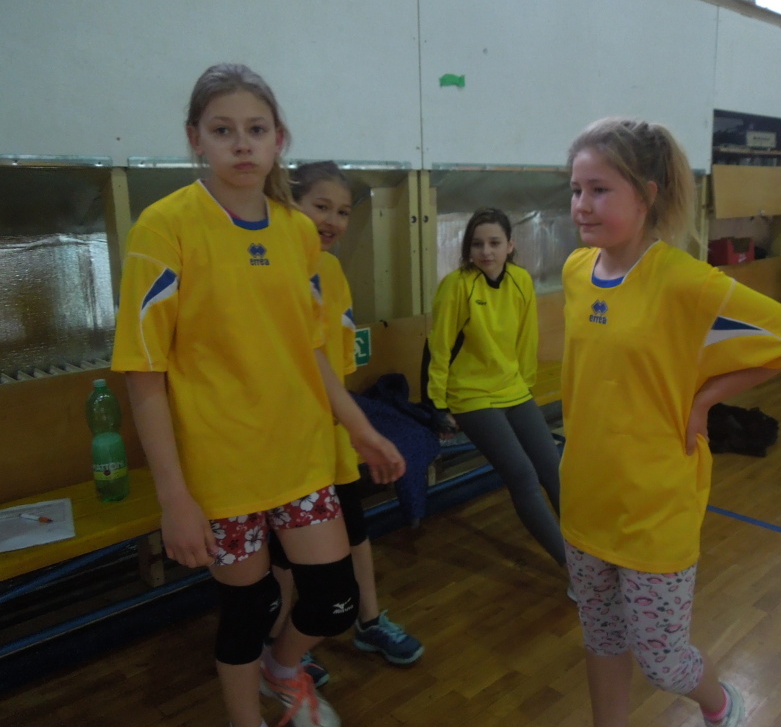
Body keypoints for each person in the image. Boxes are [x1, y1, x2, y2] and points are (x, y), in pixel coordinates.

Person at [112, 64, 404, 727]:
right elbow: (143, 372)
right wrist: (174, 498)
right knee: (251, 609)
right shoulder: (163, 228)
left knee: (333, 600)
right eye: (223, 130)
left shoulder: (297, 233)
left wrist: (359, 428)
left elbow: (308, 350)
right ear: (196, 139)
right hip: (222, 472)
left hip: (299, 456)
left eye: (256, 129)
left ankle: (283, 668)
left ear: (279, 140)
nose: (242, 144)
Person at [560, 117, 781, 727]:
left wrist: (704, 400)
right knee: (602, 639)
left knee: (663, 662)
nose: (582, 205)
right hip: (586, 496)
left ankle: (721, 703)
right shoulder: (576, 271)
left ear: (646, 195)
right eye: (576, 189)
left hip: (656, 504)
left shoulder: (685, 282)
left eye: (600, 190)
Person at [263, 161, 423, 679]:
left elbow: (341, 360)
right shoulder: (271, 269)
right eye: (320, 207)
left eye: (343, 211)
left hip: (333, 436)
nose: (331, 220)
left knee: (355, 529)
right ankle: (281, 643)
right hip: (289, 442)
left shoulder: (332, 272)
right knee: (287, 553)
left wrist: (357, 427)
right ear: (290, 205)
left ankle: (368, 621)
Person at [425, 207, 566, 569]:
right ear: (468, 249)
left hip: (513, 389)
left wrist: (525, 387)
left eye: (494, 243)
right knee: (523, 475)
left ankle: (592, 557)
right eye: (477, 244)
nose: (486, 251)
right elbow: (439, 347)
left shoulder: (521, 280)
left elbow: (526, 340)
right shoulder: (456, 286)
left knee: (552, 467)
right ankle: (576, 571)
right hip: (471, 395)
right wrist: (438, 403)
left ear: (510, 245)